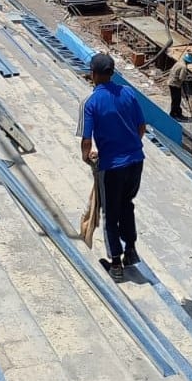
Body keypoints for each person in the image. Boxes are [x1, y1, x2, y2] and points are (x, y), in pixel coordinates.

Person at [80, 52, 146, 282]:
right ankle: (130, 249)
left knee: (110, 212)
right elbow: (141, 127)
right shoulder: (128, 93)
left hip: (112, 167)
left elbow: (87, 141)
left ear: (94, 74)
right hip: (136, 162)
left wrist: (87, 157)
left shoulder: (91, 102)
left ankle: (116, 263)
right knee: (127, 205)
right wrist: (132, 146)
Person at [168, 52, 192, 120]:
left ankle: (177, 113)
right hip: (175, 84)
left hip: (171, 81)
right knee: (176, 100)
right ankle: (174, 114)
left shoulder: (179, 62)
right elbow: (181, 78)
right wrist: (187, 78)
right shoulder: (183, 67)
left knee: (176, 99)